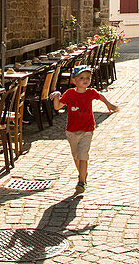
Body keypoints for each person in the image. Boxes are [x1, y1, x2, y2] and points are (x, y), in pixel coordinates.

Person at [50, 65, 119, 194]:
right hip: (72, 131)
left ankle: (81, 181)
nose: (85, 80)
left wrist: (109, 104)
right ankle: (83, 174)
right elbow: (58, 107)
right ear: (74, 81)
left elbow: (100, 96)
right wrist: (57, 96)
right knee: (76, 156)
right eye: (81, 78)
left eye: (88, 77)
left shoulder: (91, 92)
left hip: (87, 130)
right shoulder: (70, 94)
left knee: (83, 156)